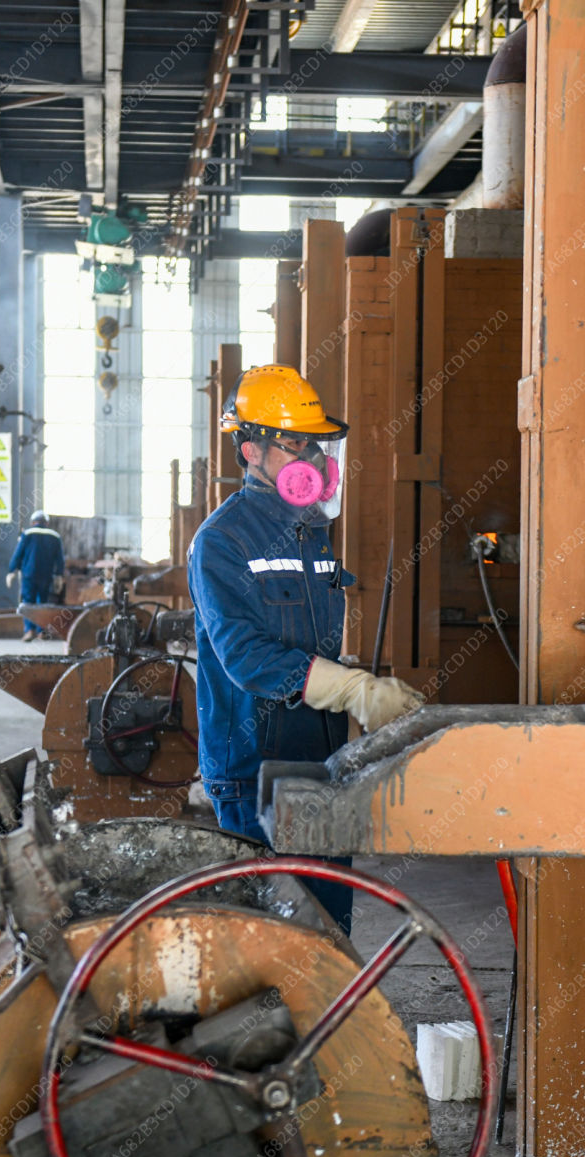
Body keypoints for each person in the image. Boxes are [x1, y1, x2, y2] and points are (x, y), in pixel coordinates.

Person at [188, 364, 425, 930]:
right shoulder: (221, 541)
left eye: (316, 444)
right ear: (251, 450)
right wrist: (351, 690)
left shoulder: (311, 532)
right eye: (295, 444)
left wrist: (359, 702)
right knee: (272, 938)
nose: (313, 459)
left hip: (320, 760)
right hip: (254, 771)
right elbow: (246, 656)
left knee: (328, 930)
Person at [7, 510, 66, 642]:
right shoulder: (55, 536)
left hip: (29, 574)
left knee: (28, 602)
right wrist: (59, 575)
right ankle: (42, 631)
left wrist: (12, 570)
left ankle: (29, 631)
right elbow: (60, 559)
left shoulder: (27, 534)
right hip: (46, 575)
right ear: (46, 523)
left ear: (33, 522)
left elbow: (18, 554)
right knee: (42, 603)